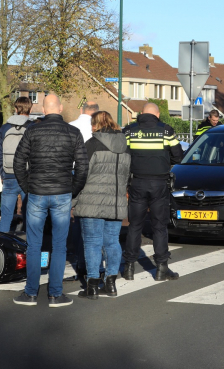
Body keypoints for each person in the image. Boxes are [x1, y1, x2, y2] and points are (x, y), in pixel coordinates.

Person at [12, 94, 89, 307]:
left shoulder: (32, 131)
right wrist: (73, 190)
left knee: (34, 244)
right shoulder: (73, 133)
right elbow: (83, 167)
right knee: (59, 245)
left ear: (44, 110)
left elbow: (18, 162)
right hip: (62, 192)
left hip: (36, 192)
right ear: (61, 108)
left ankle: (30, 293)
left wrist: (27, 187)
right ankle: (55, 293)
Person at [122, 102, 184, 281]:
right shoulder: (166, 130)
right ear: (157, 115)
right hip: (159, 184)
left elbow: (124, 155)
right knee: (159, 226)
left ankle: (129, 268)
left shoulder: (129, 131)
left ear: (142, 113)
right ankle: (161, 268)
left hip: (137, 183)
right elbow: (178, 156)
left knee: (134, 225)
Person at [74, 110, 130, 300]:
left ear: (96, 125)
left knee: (92, 242)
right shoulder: (125, 146)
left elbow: (82, 174)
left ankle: (92, 287)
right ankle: (111, 284)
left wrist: (73, 200)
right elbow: (128, 175)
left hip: (92, 201)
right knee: (112, 241)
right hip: (116, 201)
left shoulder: (92, 144)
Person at [0, 96, 33, 233]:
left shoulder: (5, 128)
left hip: (8, 174)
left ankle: (1, 247)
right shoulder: (32, 127)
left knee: (6, 216)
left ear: (15, 108)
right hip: (27, 175)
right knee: (30, 214)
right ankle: (28, 246)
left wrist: (2, 173)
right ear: (31, 108)